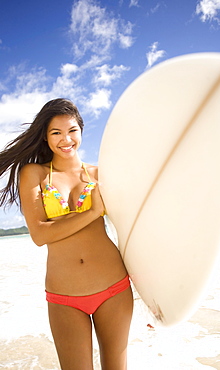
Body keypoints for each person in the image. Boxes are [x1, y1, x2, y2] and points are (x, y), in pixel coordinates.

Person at [0, 98, 133, 370]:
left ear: (82, 131)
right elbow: (39, 234)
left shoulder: (101, 174)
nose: (66, 139)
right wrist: (92, 212)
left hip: (114, 287)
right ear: (46, 137)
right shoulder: (34, 174)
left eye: (72, 130)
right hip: (64, 297)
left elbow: (136, 223)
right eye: (56, 132)